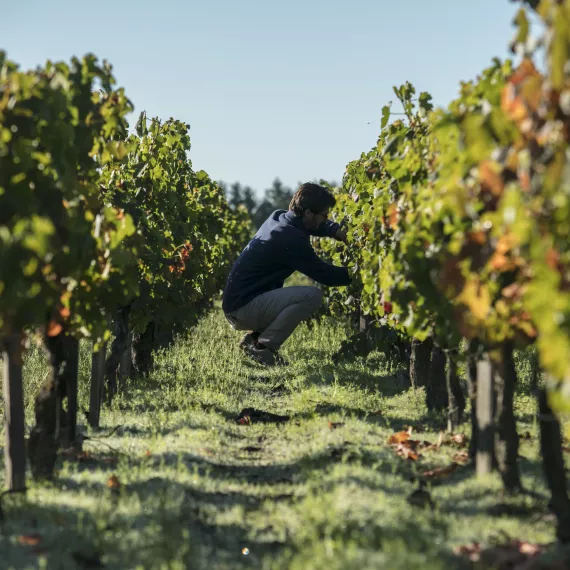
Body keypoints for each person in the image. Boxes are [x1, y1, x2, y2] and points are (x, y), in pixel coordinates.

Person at [222, 182, 351, 366]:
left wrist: (335, 230)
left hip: (238, 302)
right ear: (307, 213)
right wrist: (358, 274)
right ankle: (263, 348)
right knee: (312, 296)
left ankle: (253, 340)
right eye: (324, 215)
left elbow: (315, 226)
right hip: (242, 308)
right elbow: (326, 275)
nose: (326, 219)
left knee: (294, 296)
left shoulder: (279, 217)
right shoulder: (290, 237)